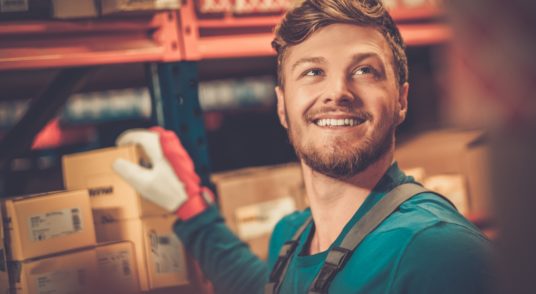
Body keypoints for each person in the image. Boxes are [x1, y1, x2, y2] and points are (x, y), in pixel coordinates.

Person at [112, 0, 493, 293]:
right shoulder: (291, 239)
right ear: (282, 105)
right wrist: (192, 210)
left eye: (365, 70)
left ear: (401, 100)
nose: (338, 92)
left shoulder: (438, 252)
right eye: (313, 72)